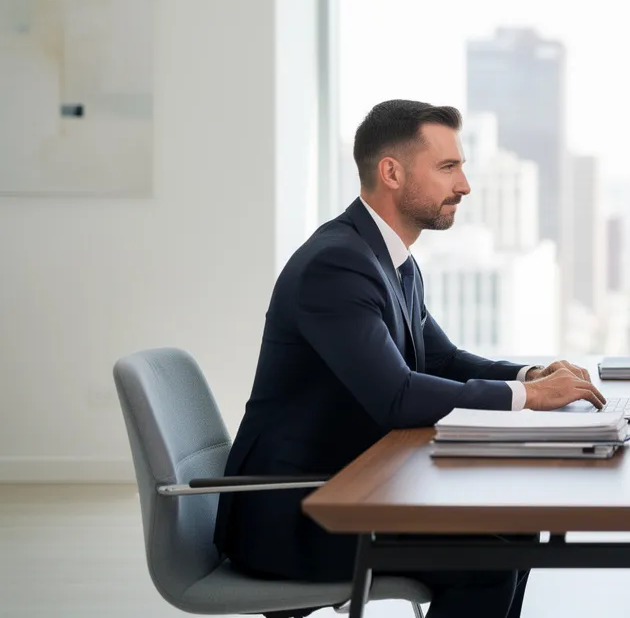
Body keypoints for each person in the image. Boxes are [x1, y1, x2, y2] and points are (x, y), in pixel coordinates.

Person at [214, 99, 606, 618]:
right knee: (488, 553)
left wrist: (531, 373)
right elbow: (397, 396)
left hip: (353, 484)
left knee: (513, 526)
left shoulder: (391, 260)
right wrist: (531, 397)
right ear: (392, 172)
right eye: (448, 167)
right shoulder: (337, 265)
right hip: (296, 512)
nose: (464, 185)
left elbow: (442, 360)